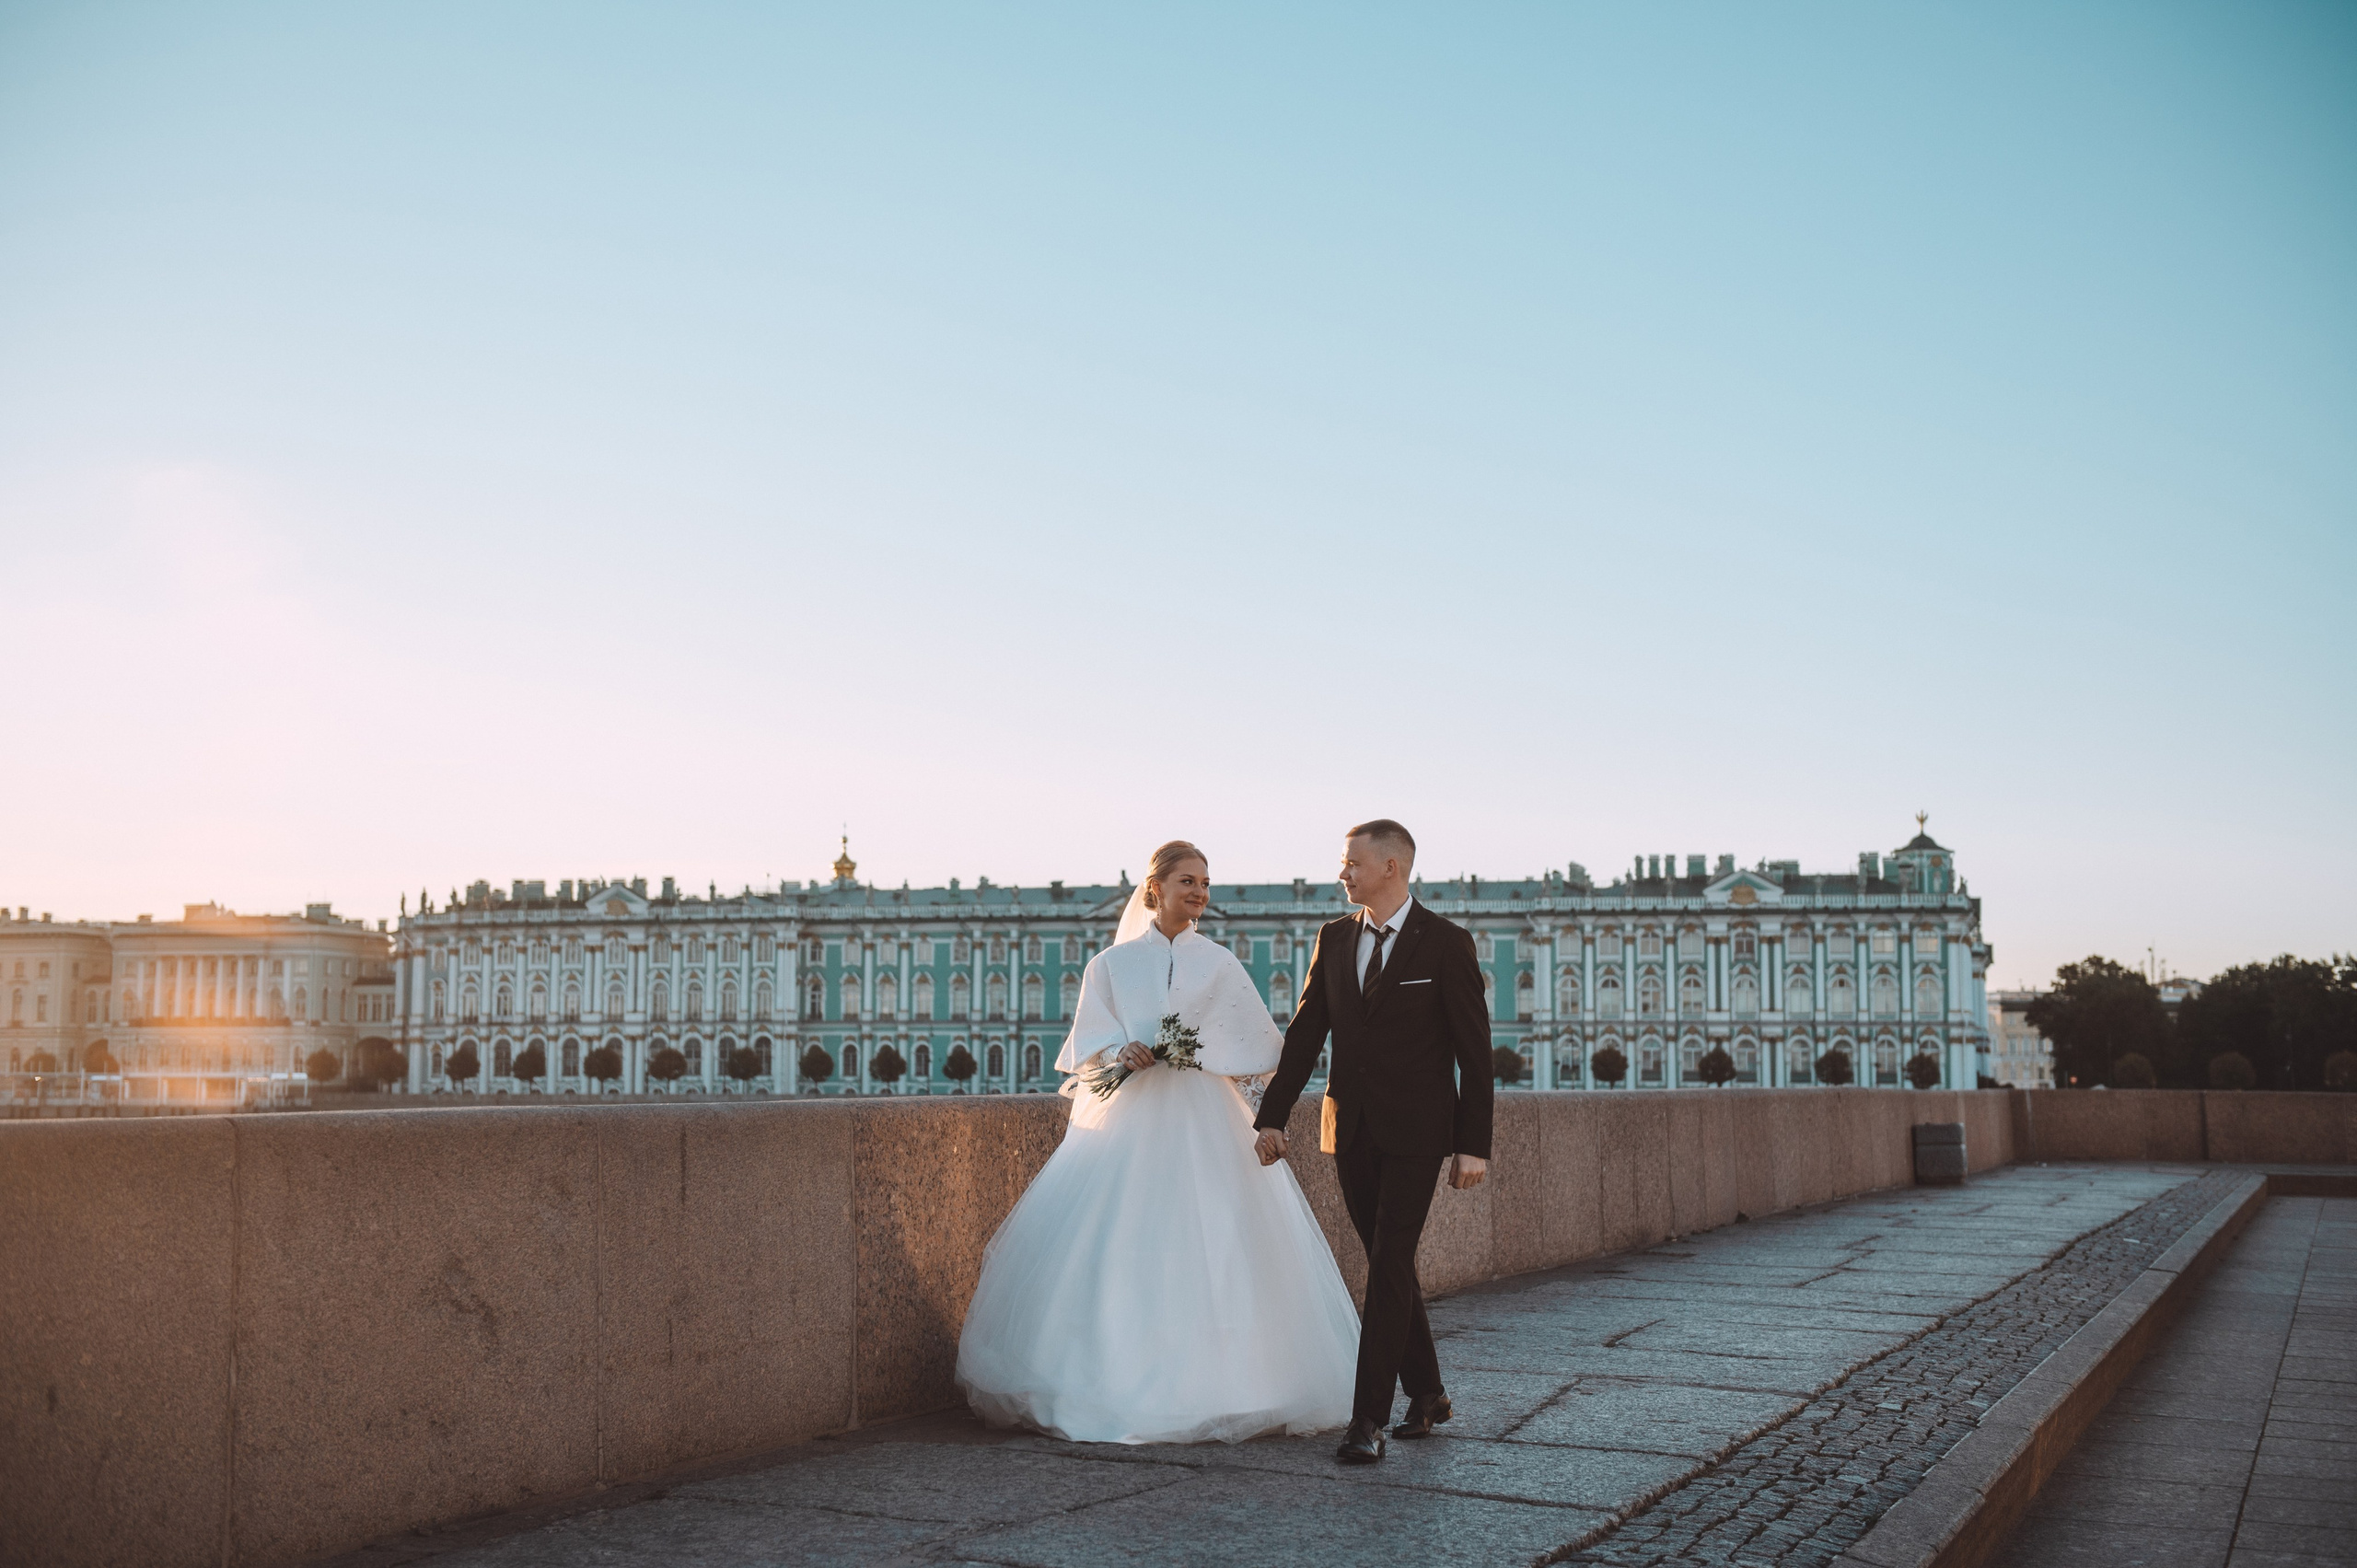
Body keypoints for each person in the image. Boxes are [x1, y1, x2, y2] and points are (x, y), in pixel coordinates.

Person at [955, 840, 1359, 1444]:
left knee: (1214, 1238)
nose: (1199, 892)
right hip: (1131, 1120)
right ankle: (1108, 1376)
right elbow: (1086, 1046)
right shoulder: (1110, 966)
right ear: (1155, 890)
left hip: (1203, 1116)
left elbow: (1256, 1044)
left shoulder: (1219, 961)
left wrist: (1201, 1050)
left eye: (1205, 882)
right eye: (1187, 881)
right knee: (1121, 1239)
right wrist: (1125, 1049)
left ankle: (1234, 1385)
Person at [1254, 819, 1493, 1464]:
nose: (1342, 873)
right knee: (1391, 1261)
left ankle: (1366, 1419)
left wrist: (1475, 1143)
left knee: (1387, 1264)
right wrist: (1272, 1116)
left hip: (1419, 1134)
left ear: (1392, 866)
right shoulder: (1334, 938)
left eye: (1352, 862)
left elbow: (1475, 1052)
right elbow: (1306, 1032)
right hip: (1349, 1127)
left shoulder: (1446, 943)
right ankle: (1430, 1393)